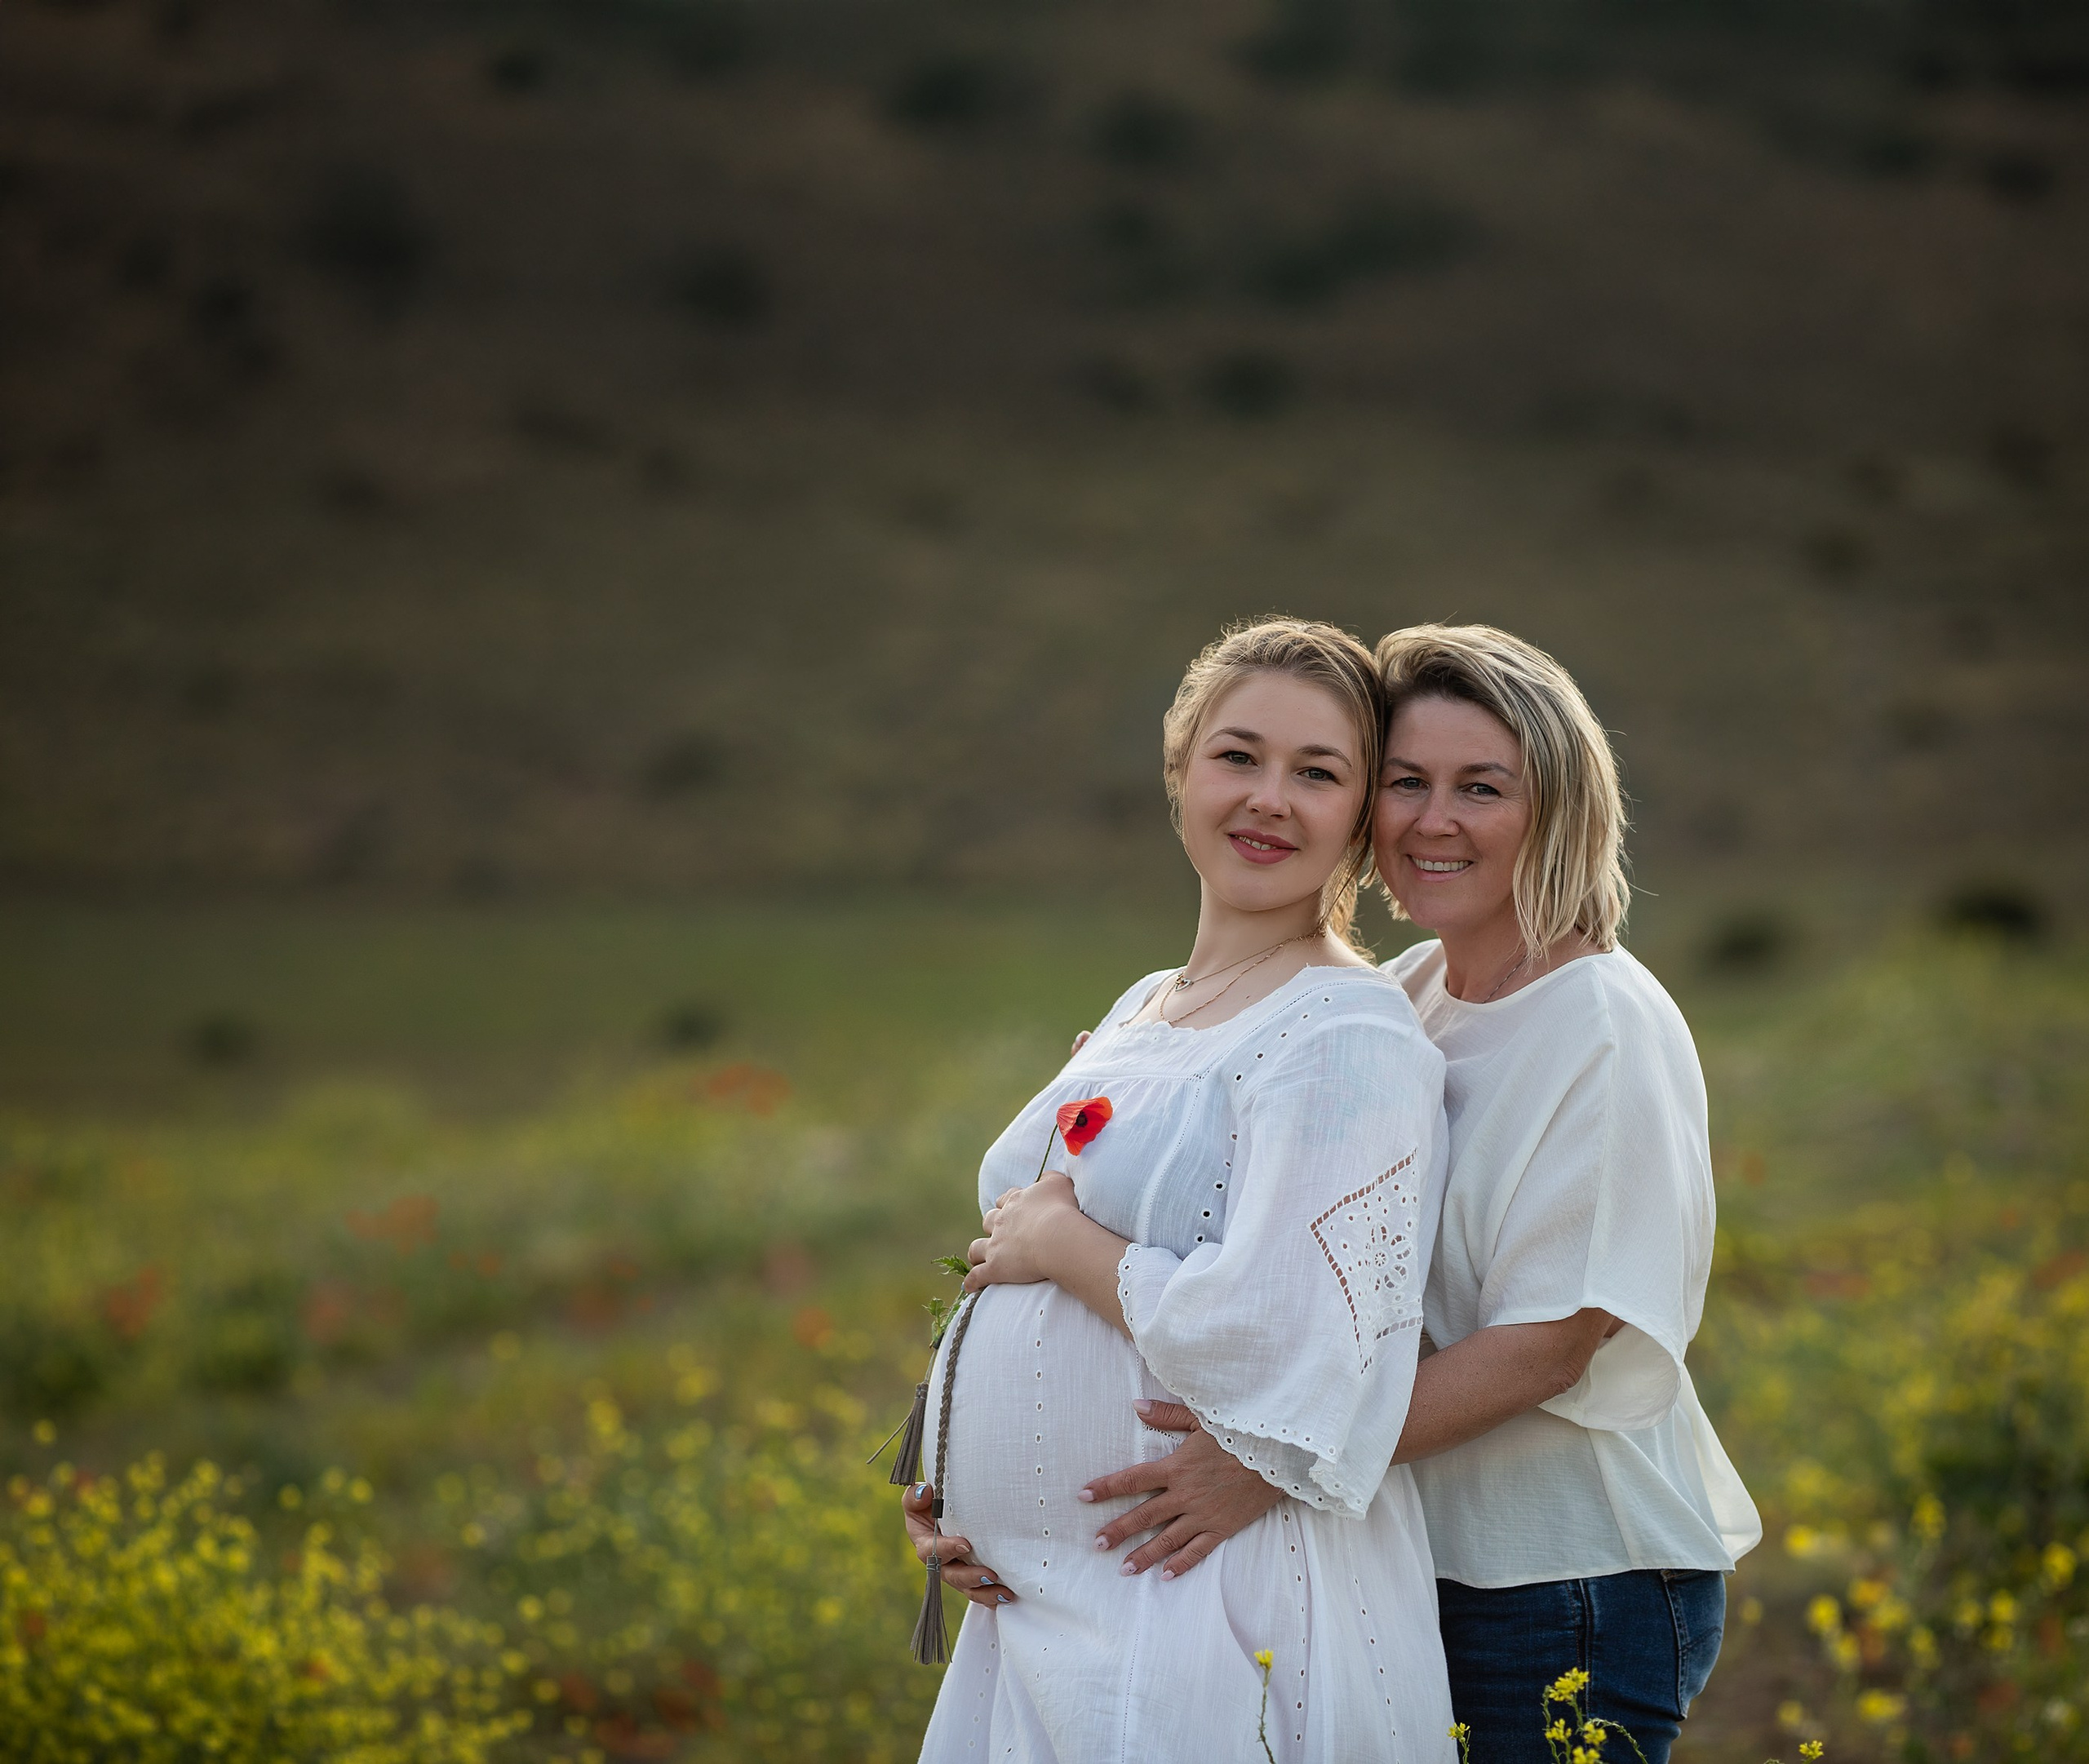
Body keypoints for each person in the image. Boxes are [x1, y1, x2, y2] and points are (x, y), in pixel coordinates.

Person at [1073, 623, 1759, 1764]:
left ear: (1557, 810)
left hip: (1562, 1579)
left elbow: (1553, 1340)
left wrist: (1269, 1460)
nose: (1434, 820)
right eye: (1406, 782)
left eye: (1480, 787)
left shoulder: (1602, 1023)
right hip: (1405, 1554)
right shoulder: (1406, 993)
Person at [901, 618, 1456, 1764]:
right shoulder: (1145, 1002)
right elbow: (1016, 1250)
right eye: (1238, 756)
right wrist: (957, 1476)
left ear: (1362, 816)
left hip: (1210, 1597)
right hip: (1048, 1605)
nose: (1269, 798)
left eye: (1318, 773)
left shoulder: (1348, 1031)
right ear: (1179, 772)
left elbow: (1291, 1339)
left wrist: (1064, 1246)